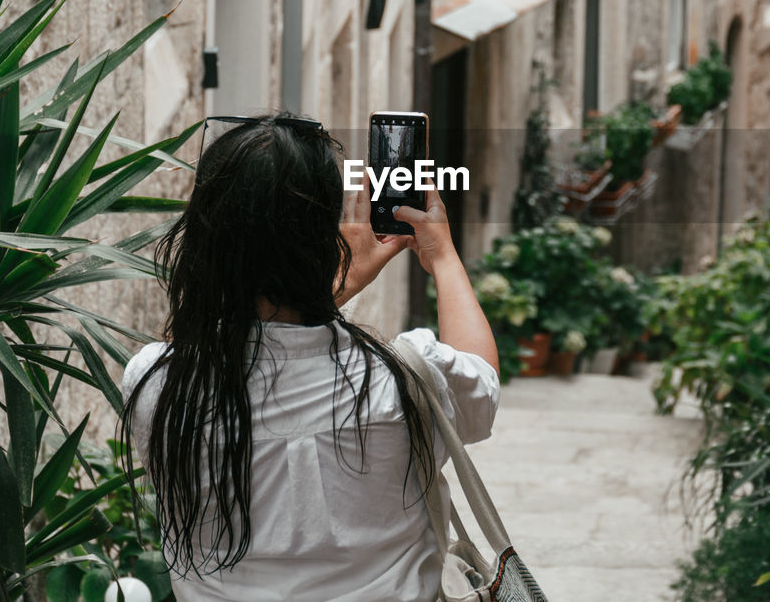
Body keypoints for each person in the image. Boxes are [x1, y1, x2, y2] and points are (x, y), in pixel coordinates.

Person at [120, 113, 500, 602]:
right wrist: (442, 255)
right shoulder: (404, 384)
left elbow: (239, 346)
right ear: (324, 240)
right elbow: (481, 383)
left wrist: (328, 288)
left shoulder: (157, 383)